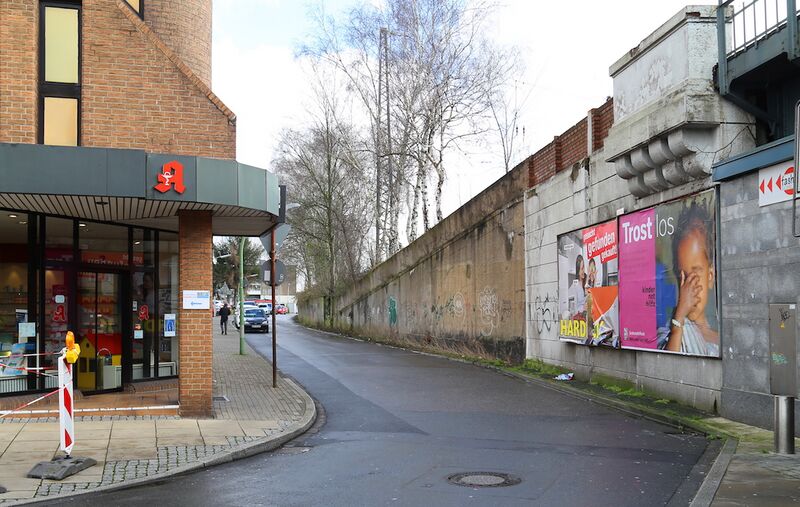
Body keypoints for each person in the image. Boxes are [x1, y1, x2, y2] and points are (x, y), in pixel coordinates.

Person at [659, 201, 719, 356]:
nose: (689, 288)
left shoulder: (719, 337)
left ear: (710, 276)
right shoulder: (676, 330)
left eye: (696, 274)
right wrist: (679, 315)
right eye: (682, 275)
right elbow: (669, 364)